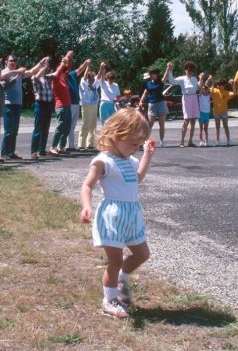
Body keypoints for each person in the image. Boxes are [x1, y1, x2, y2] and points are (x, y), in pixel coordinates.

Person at [79, 109, 156, 319]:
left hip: (131, 215)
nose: (136, 148)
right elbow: (87, 186)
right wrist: (86, 206)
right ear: (116, 135)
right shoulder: (103, 161)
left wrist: (147, 156)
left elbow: (137, 179)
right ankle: (110, 300)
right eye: (133, 143)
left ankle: (121, 278)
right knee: (115, 261)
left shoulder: (130, 160)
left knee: (142, 254)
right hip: (112, 217)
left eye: (139, 144)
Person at [0, 54, 42, 160]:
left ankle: (11, 152)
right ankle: (4, 152)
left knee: (14, 130)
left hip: (17, 104)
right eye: (11, 60)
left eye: (14, 60)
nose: (13, 62)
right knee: (8, 130)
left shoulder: (19, 74)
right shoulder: (4, 71)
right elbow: (3, 76)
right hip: (8, 104)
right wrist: (19, 71)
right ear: (6, 62)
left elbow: (32, 71)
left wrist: (41, 63)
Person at [166, 61, 199, 147]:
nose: (190, 72)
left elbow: (199, 87)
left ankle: (190, 141)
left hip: (194, 98)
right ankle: (182, 141)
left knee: (193, 121)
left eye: (192, 70)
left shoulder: (195, 79)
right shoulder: (182, 78)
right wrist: (170, 70)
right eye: (188, 70)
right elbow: (172, 81)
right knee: (186, 120)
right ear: (185, 70)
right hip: (187, 98)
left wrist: (203, 79)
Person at [50, 52, 78, 155]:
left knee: (66, 127)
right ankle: (53, 146)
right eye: (64, 71)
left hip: (67, 106)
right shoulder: (56, 80)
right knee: (60, 127)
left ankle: (61, 147)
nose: (65, 72)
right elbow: (58, 72)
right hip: (61, 106)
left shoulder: (63, 80)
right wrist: (63, 62)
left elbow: (69, 68)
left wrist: (69, 58)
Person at [30, 57, 54, 159]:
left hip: (48, 104)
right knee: (38, 129)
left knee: (46, 129)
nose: (46, 69)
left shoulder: (48, 78)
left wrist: (65, 60)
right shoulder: (35, 77)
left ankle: (42, 149)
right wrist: (45, 64)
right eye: (44, 67)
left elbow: (57, 73)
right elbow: (37, 76)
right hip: (40, 104)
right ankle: (33, 151)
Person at [140, 66, 170, 147]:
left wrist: (168, 68)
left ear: (155, 74)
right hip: (152, 104)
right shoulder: (148, 83)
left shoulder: (160, 81)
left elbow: (165, 76)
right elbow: (145, 93)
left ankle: (162, 141)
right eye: (150, 74)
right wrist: (141, 101)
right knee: (149, 124)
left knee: (162, 124)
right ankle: (146, 142)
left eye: (151, 74)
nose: (150, 75)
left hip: (161, 103)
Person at [78, 65, 101, 150]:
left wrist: (101, 67)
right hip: (86, 105)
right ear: (88, 78)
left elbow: (99, 77)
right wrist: (87, 66)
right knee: (86, 124)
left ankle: (90, 144)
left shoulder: (94, 84)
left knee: (93, 125)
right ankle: (81, 143)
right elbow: (84, 77)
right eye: (91, 78)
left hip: (94, 105)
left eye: (93, 79)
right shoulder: (84, 83)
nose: (93, 80)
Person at [211, 78, 234, 146]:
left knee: (225, 126)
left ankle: (229, 140)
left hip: (224, 111)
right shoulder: (214, 90)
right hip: (216, 111)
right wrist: (212, 84)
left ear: (224, 85)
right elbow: (210, 94)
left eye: (222, 84)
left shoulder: (226, 92)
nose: (220, 86)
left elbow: (234, 94)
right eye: (219, 84)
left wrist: (233, 85)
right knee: (217, 127)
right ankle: (217, 141)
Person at [197, 79, 213, 146]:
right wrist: (201, 79)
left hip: (207, 114)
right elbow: (200, 87)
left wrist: (211, 81)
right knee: (201, 128)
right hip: (201, 114)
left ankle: (206, 141)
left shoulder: (209, 96)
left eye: (206, 89)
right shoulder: (200, 96)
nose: (204, 90)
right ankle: (201, 141)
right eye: (203, 89)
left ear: (208, 90)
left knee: (206, 129)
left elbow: (212, 89)